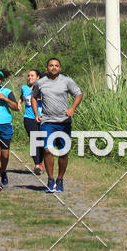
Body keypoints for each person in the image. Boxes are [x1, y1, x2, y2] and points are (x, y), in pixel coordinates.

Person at [31, 57, 83, 194]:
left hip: (63, 122)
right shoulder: (40, 83)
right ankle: (50, 179)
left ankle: (60, 179)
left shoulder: (67, 81)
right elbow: (33, 97)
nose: (54, 67)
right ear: (47, 68)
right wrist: (36, 113)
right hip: (47, 122)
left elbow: (78, 94)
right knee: (47, 150)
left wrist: (72, 108)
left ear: (59, 68)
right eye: (51, 65)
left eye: (56, 65)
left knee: (63, 152)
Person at [20, 69, 44, 175]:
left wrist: (38, 98)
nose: (30, 77)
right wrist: (18, 102)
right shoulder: (24, 88)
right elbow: (22, 96)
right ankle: (36, 164)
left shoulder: (43, 88)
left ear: (38, 77)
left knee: (42, 141)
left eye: (32, 76)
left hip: (42, 117)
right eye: (29, 76)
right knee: (34, 140)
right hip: (29, 118)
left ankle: (41, 162)